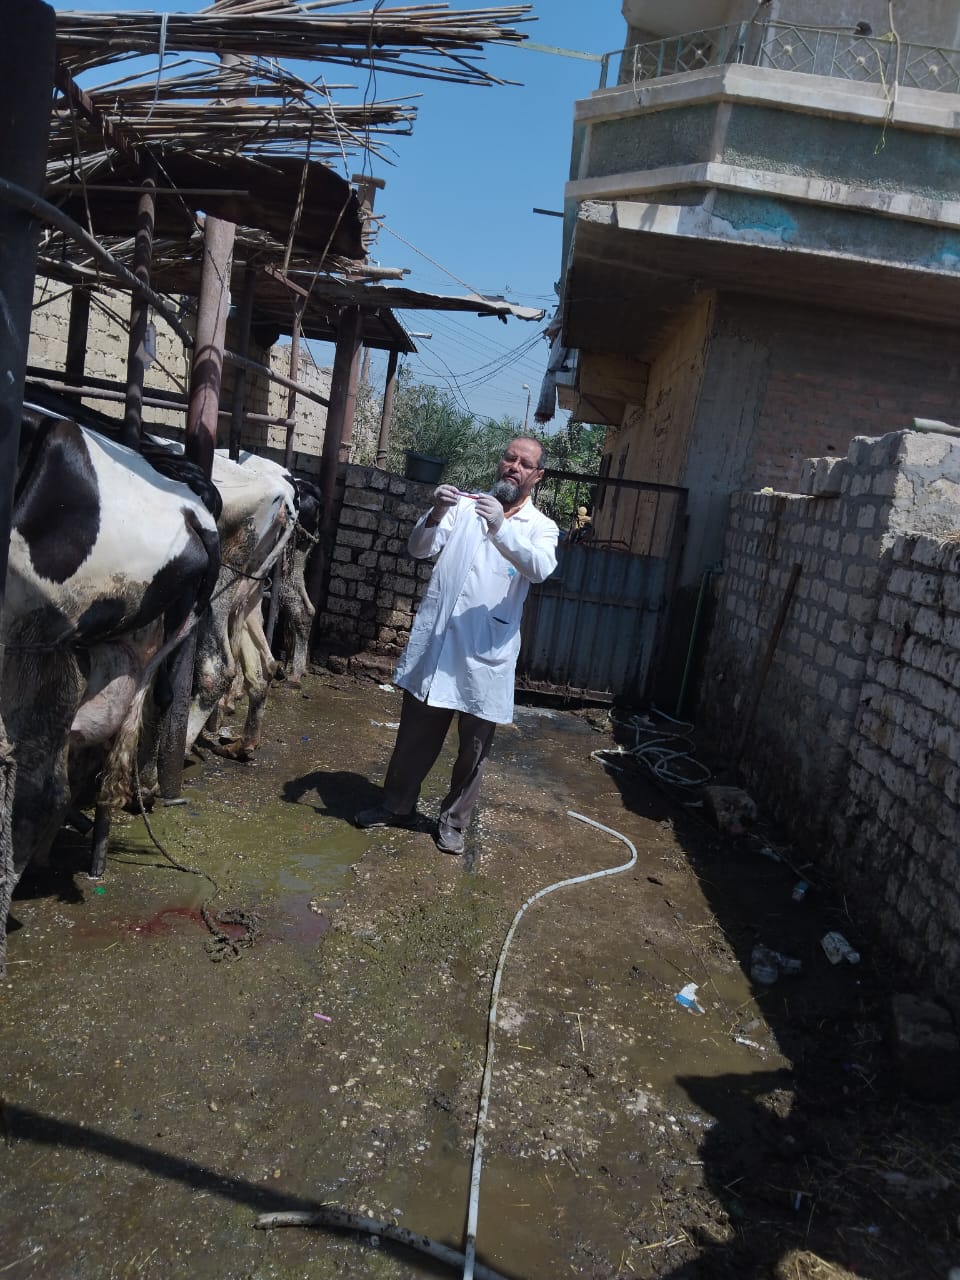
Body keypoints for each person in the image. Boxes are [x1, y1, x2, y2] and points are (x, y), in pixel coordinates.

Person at [355, 437, 559, 854]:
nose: (514, 467)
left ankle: (453, 822)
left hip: (486, 652)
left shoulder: (540, 526)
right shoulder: (466, 506)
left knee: (474, 748)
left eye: (524, 464)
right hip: (439, 642)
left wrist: (500, 527)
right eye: (509, 458)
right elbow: (419, 548)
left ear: (537, 476)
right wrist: (437, 511)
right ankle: (397, 806)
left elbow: (539, 568)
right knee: (415, 733)